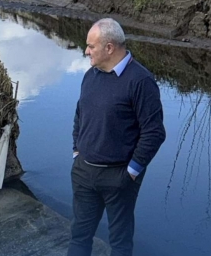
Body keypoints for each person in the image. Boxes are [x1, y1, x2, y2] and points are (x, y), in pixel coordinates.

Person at [68, 18, 166, 256]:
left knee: (120, 242)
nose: (86, 51)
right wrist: (77, 151)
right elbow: (80, 114)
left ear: (109, 47)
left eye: (91, 46)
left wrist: (131, 172)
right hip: (84, 173)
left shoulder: (141, 81)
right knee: (79, 236)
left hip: (119, 176)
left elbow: (154, 132)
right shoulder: (91, 75)